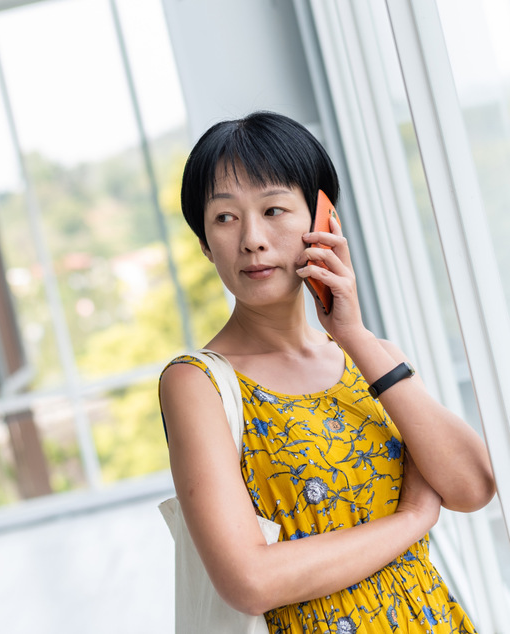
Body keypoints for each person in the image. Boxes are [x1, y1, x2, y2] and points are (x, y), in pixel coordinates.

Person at [158, 111, 496, 632]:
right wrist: (410, 520)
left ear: (323, 221)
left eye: (274, 209)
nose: (252, 238)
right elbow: (249, 581)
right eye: (225, 218)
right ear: (204, 242)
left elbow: (473, 485)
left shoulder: (372, 357)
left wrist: (355, 334)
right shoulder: (197, 383)